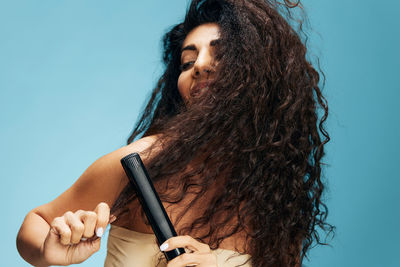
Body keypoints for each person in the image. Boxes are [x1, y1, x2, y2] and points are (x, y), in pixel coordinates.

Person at [16, 0, 333, 266]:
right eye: (187, 62)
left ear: (263, 76)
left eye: (221, 55)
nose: (199, 66)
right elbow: (36, 224)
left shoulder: (277, 202)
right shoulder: (143, 162)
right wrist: (48, 250)